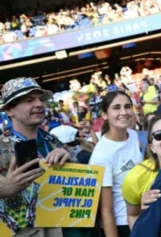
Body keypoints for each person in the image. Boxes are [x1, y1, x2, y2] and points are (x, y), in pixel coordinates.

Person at [0, 78, 73, 236]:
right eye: (29, 100)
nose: (39, 104)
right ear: (9, 110)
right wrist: (4, 189)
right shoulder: (2, 146)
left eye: (41, 99)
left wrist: (70, 161)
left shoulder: (53, 140)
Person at [89, 91, 143, 237]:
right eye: (116, 107)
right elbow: (106, 211)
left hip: (142, 217)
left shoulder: (132, 135)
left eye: (127, 106)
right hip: (123, 225)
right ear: (105, 115)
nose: (124, 112)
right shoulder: (102, 155)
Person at [122, 114, 161, 229]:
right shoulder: (135, 177)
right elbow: (133, 215)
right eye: (159, 135)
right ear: (152, 147)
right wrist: (145, 210)